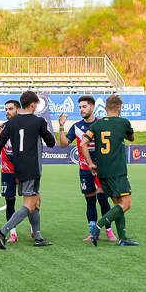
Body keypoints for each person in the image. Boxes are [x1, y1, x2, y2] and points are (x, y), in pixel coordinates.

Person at [0, 91, 55, 250]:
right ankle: (2, 232)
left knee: (35, 201)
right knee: (29, 204)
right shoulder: (39, 121)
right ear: (33, 104)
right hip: (32, 168)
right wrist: (44, 131)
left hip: (18, 168)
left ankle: (38, 237)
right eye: (36, 104)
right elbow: (51, 142)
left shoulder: (11, 123)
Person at [82, 95, 139, 247]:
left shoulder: (97, 125)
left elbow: (83, 144)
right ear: (119, 108)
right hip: (117, 171)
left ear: (106, 108)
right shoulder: (123, 123)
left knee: (118, 204)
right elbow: (132, 138)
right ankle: (98, 226)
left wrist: (90, 163)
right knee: (126, 204)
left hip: (102, 171)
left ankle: (123, 238)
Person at [58, 95, 117, 243]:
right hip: (85, 169)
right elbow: (64, 143)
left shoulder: (102, 124)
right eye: (80, 107)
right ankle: (92, 233)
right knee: (90, 201)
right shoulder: (77, 126)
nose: (81, 110)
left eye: (84, 106)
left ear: (92, 107)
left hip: (101, 169)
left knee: (103, 199)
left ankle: (108, 231)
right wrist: (61, 126)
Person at [0, 99, 29, 243]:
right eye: (6, 109)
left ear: (18, 110)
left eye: (10, 109)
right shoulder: (2, 128)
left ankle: (35, 230)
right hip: (8, 170)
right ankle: (12, 233)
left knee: (32, 200)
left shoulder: (27, 126)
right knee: (10, 201)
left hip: (25, 169)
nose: (7, 112)